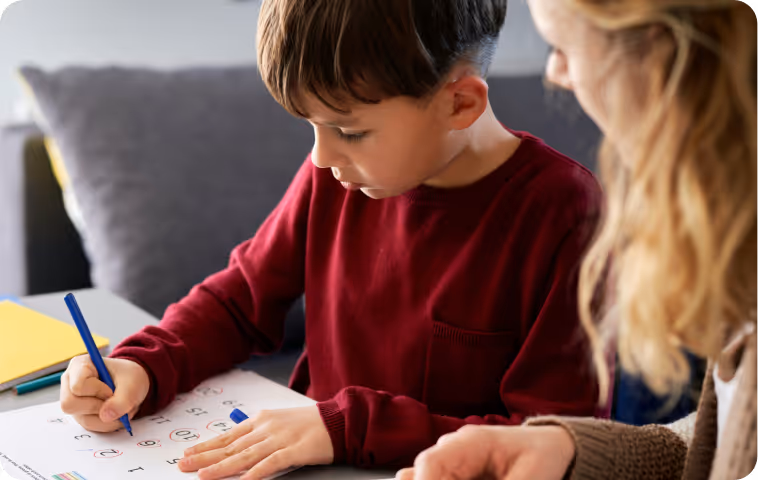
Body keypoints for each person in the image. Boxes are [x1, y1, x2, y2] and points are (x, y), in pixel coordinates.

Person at [59, 0, 606, 478]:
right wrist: (144, 365)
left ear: (460, 103)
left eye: (349, 131)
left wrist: (347, 428)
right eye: (310, 126)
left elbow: (550, 439)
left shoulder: (564, 213)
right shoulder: (337, 175)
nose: (322, 157)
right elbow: (237, 302)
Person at [396, 0, 758, 479]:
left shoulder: (562, 203)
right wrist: (566, 450)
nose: (556, 73)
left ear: (671, 61)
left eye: (563, 46)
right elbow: (725, 441)